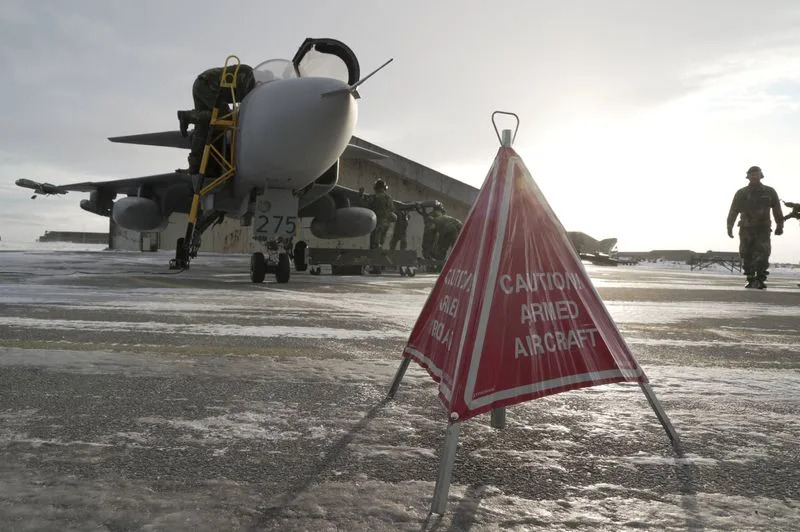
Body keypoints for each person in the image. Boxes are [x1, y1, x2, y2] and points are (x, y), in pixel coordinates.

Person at [177, 64, 256, 174]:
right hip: (209, 87)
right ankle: (188, 116)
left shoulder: (247, 73)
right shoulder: (249, 77)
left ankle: (194, 166)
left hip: (202, 84)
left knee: (202, 128)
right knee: (224, 116)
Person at [726, 165, 783, 289]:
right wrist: (729, 226)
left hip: (763, 228)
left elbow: (777, 209)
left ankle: (761, 279)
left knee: (764, 254)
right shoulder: (741, 193)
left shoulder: (769, 191)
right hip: (746, 228)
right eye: (752, 174)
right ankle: (750, 279)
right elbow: (733, 210)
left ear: (760, 175)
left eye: (757, 174)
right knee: (746, 254)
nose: (754, 176)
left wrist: (780, 225)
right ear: (748, 176)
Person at [363, 179, 395, 249]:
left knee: (374, 243)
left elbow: (365, 206)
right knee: (381, 242)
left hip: (377, 222)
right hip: (386, 223)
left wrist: (361, 196)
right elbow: (392, 209)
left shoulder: (374, 197)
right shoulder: (388, 198)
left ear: (375, 187)